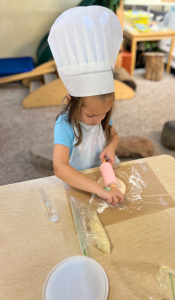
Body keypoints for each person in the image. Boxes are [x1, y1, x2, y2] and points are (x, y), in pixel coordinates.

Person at [48, 6, 124, 206]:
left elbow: (114, 135)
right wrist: (100, 189)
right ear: (72, 101)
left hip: (102, 177)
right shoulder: (65, 125)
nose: (98, 120)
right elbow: (60, 168)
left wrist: (110, 147)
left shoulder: (100, 115)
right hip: (80, 181)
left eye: (104, 113)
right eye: (91, 116)